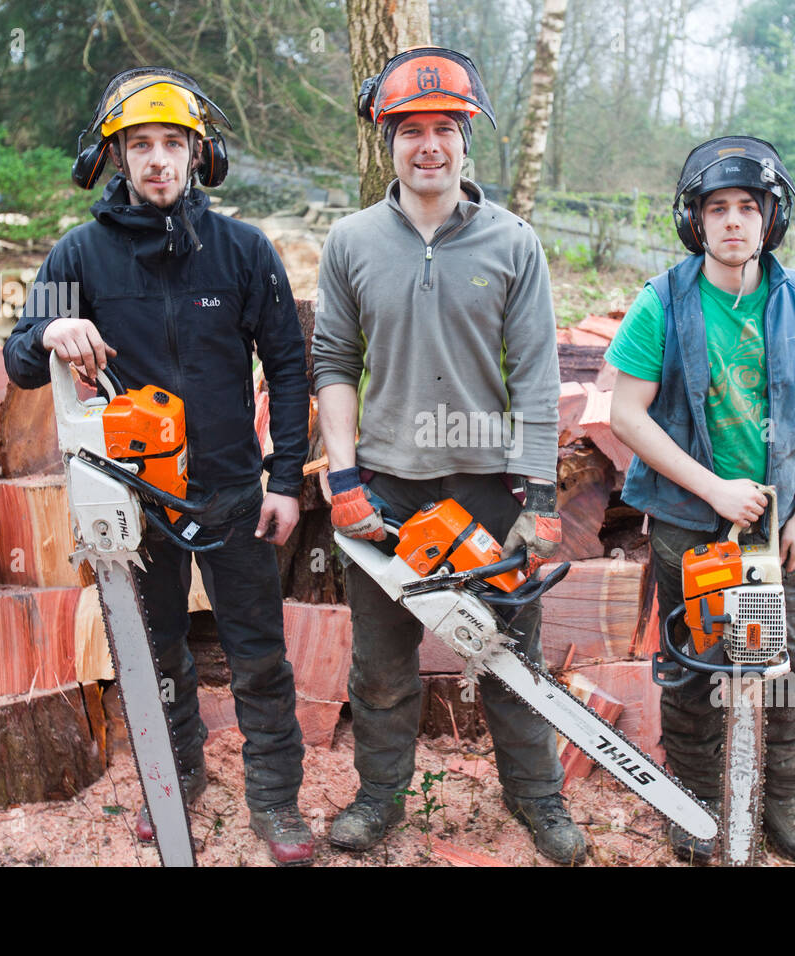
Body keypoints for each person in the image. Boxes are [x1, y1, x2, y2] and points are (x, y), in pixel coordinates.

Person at [3, 68, 315, 865]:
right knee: (158, 650)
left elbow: (287, 365)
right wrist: (50, 331)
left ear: (197, 154)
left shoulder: (243, 250)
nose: (157, 161)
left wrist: (284, 482)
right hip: (135, 499)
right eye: (139, 146)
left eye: (172, 144)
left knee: (258, 651)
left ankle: (275, 798)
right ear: (115, 158)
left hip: (234, 491)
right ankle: (175, 774)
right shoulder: (81, 254)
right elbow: (18, 360)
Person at [312, 47, 585, 864]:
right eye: (410, 131)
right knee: (382, 666)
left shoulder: (513, 243)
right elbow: (331, 361)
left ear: (468, 138)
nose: (427, 146)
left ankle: (538, 803)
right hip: (387, 486)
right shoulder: (352, 240)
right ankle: (379, 798)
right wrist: (343, 475)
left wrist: (540, 501)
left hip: (488, 485)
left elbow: (537, 377)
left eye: (444, 129)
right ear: (386, 141)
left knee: (509, 658)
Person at [605, 135, 795, 865]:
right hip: (687, 522)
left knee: (779, 666)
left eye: (749, 207)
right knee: (694, 667)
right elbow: (625, 413)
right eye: (718, 209)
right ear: (694, 221)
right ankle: (696, 803)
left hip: (770, 531)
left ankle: (780, 809)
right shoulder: (663, 302)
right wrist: (711, 487)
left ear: (772, 219)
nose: (734, 221)